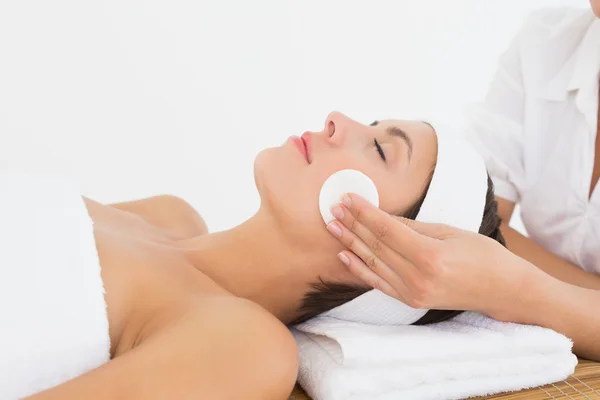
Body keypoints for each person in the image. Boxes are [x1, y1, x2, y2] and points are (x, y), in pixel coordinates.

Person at [21, 111, 505, 399]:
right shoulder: (169, 215)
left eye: (379, 148)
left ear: (389, 256)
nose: (337, 119)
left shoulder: (245, 346)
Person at [327, 4, 600, 362]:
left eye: (382, 149)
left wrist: (518, 289)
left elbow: (479, 244)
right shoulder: (547, 42)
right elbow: (479, 222)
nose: (335, 122)